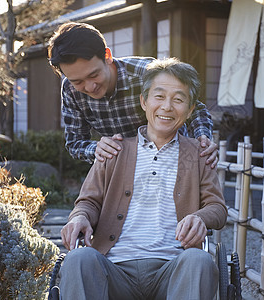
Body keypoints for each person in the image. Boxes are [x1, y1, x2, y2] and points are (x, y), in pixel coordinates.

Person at [58, 57, 227, 300]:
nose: (167, 107)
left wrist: (200, 217)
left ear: (190, 110)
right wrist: (80, 218)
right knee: (79, 258)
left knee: (199, 260)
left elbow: (217, 208)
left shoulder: (199, 154)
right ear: (144, 102)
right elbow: (88, 202)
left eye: (178, 99)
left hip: (173, 268)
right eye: (159, 97)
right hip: (113, 268)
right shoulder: (113, 150)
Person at [47, 22, 218, 167]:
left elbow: (195, 109)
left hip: (175, 161)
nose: (90, 87)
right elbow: (75, 143)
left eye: (94, 75)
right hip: (122, 169)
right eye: (78, 81)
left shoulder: (147, 73)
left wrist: (202, 139)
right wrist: (97, 148)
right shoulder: (70, 89)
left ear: (107, 56)